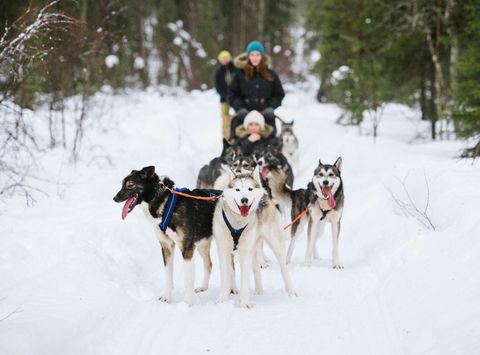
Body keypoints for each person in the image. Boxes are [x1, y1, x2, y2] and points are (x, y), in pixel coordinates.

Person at [229, 40, 285, 139]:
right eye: (252, 55)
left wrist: (271, 107)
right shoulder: (240, 74)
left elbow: (279, 94)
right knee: (239, 145)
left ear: (262, 56)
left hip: (265, 117)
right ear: (248, 56)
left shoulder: (271, 74)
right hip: (244, 117)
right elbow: (232, 94)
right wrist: (240, 108)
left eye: (258, 55)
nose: (255, 58)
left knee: (271, 145)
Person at [214, 50, 237, 141]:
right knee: (225, 119)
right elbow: (218, 86)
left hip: (235, 98)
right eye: (222, 58)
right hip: (224, 99)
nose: (224, 60)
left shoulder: (235, 69)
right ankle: (226, 138)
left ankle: (235, 136)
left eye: (226, 58)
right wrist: (224, 95)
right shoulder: (219, 71)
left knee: (236, 117)